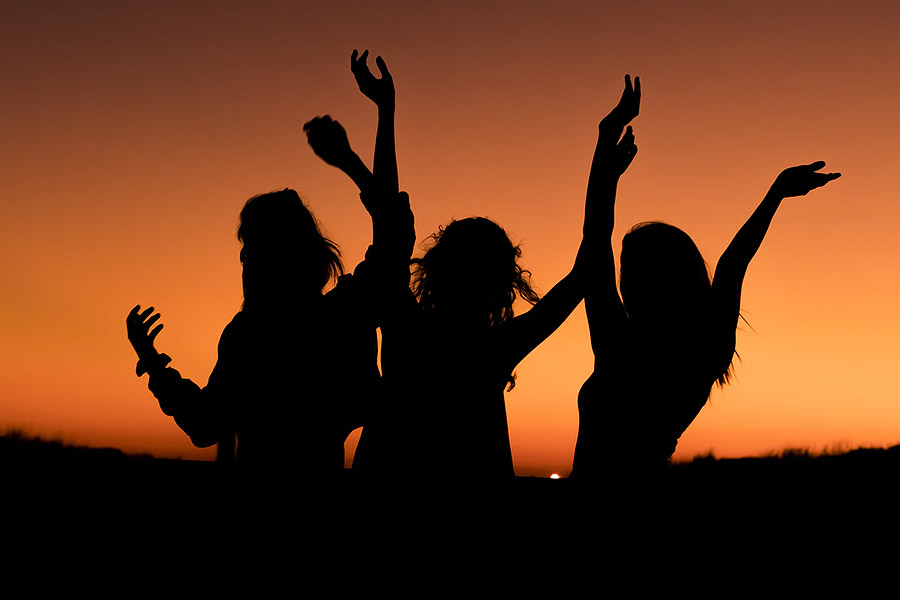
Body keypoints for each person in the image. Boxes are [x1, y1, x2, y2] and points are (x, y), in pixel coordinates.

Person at [315, 51, 591, 482]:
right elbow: (584, 272)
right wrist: (605, 173)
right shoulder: (495, 348)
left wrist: (380, 119)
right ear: (502, 283)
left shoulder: (407, 324)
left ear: (436, 265)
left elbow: (389, 223)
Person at [571, 75, 841, 480]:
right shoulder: (705, 348)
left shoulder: (619, 344)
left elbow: (595, 236)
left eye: (630, 270)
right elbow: (733, 264)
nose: (622, 281)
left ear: (651, 280)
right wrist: (775, 195)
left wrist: (605, 146)